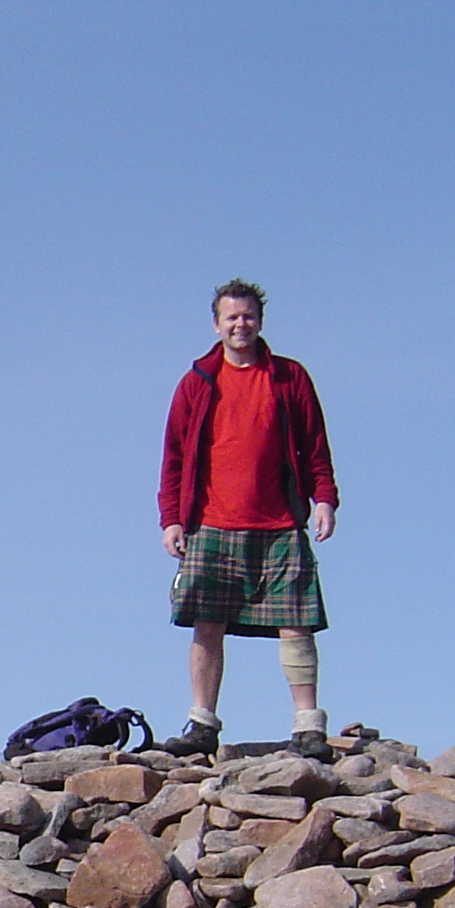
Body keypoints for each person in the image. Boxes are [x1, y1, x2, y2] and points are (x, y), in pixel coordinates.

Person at [156, 278, 339, 761]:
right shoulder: (197, 382)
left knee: (297, 623)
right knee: (206, 623)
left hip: (279, 520)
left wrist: (324, 498)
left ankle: (308, 725)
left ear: (260, 321)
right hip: (212, 522)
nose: (241, 325)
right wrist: (171, 519)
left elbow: (314, 444)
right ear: (216, 324)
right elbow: (173, 457)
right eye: (231, 317)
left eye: (249, 317)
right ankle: (201, 724)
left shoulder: (288, 377)